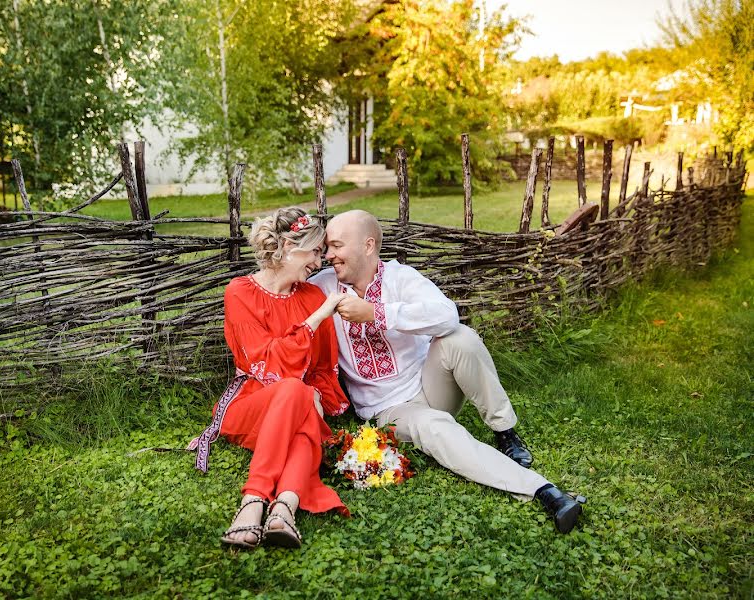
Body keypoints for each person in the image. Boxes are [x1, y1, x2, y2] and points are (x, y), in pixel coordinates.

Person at [310, 209, 585, 534]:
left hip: (432, 384)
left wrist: (376, 312)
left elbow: (446, 315)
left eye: (337, 246)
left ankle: (505, 431)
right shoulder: (323, 287)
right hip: (389, 410)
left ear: (368, 246)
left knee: (461, 338)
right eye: (327, 247)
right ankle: (544, 491)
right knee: (437, 429)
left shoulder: (399, 277)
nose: (329, 255)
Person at [188, 207, 350, 550]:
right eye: (315, 251)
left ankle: (279, 508)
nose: (319, 262)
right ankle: (260, 499)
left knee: (303, 397)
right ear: (289, 247)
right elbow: (270, 364)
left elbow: (321, 367)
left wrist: (319, 396)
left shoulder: (311, 296)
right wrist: (317, 318)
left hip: (298, 399)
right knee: (294, 389)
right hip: (250, 403)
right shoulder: (240, 293)